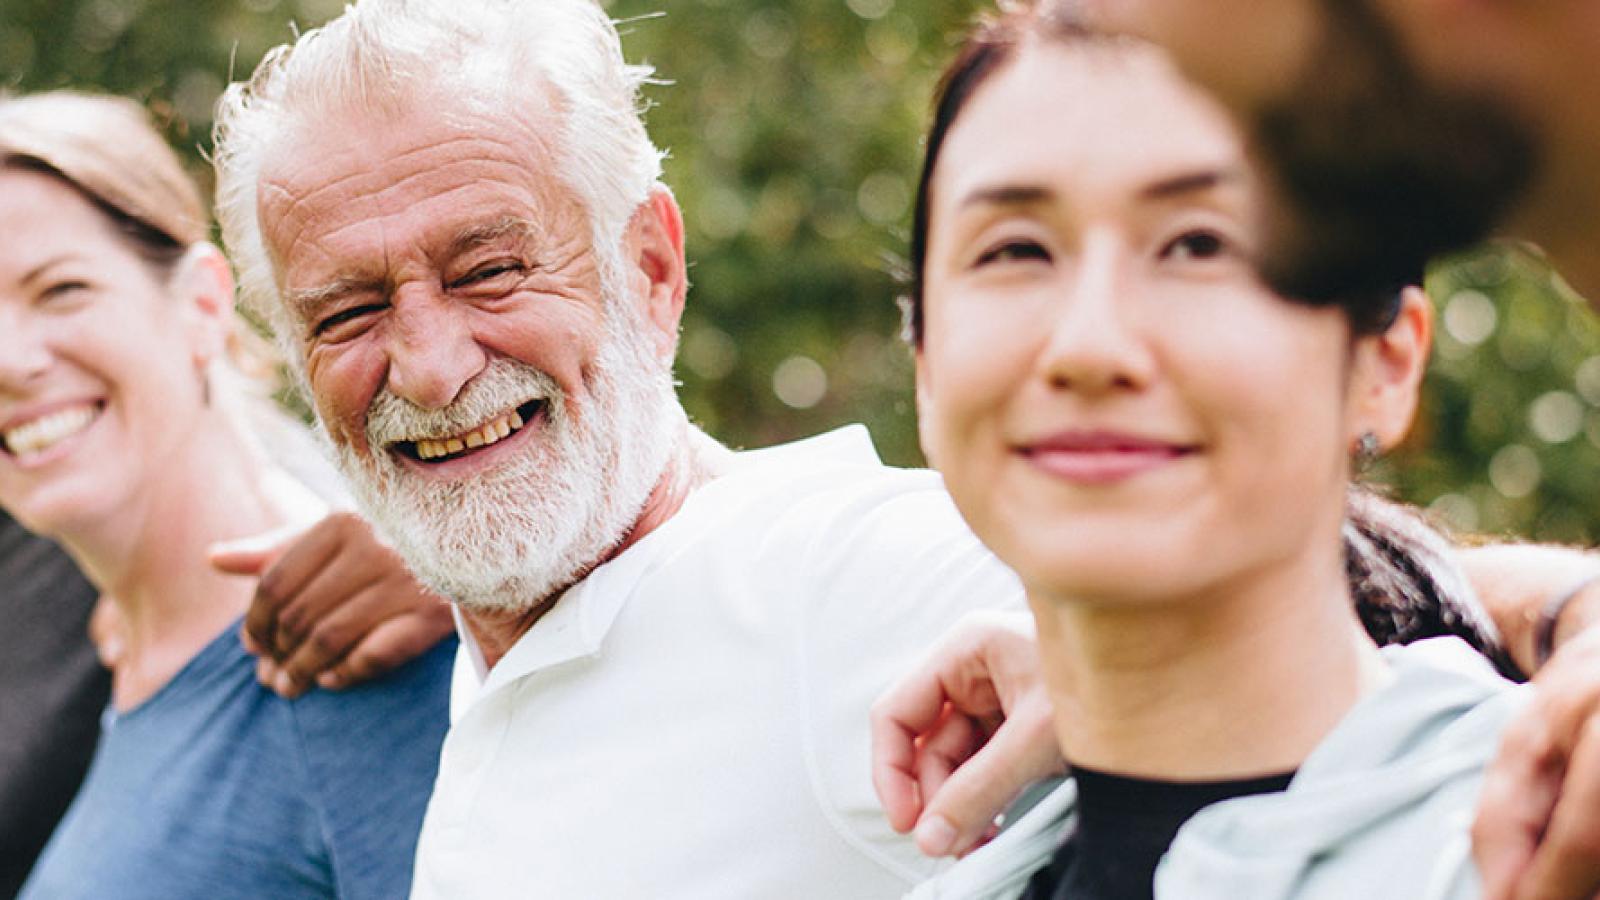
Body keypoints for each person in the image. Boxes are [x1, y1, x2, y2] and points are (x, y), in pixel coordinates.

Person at [878, 4, 1600, 897]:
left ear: (1387, 359)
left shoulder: (1544, 844)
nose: (1089, 345)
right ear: (925, 364)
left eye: (1199, 243)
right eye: (1014, 250)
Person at [0, 90, 454, 899]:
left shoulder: (367, 653)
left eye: (62, 289)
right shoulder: (106, 646)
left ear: (205, 304)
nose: (10, 359)